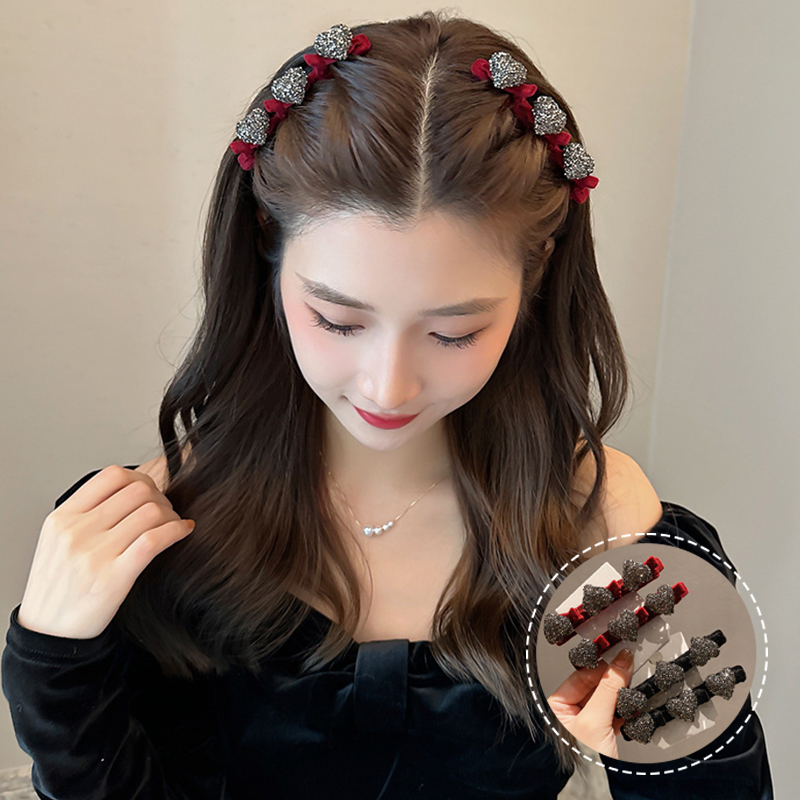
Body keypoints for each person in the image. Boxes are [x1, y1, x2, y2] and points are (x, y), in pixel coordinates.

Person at [1, 10, 773, 799]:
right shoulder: (158, 537)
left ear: (536, 274)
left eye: (453, 332)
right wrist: (53, 658)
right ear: (265, 244)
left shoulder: (607, 536)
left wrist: (654, 709)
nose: (387, 387)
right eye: (338, 320)